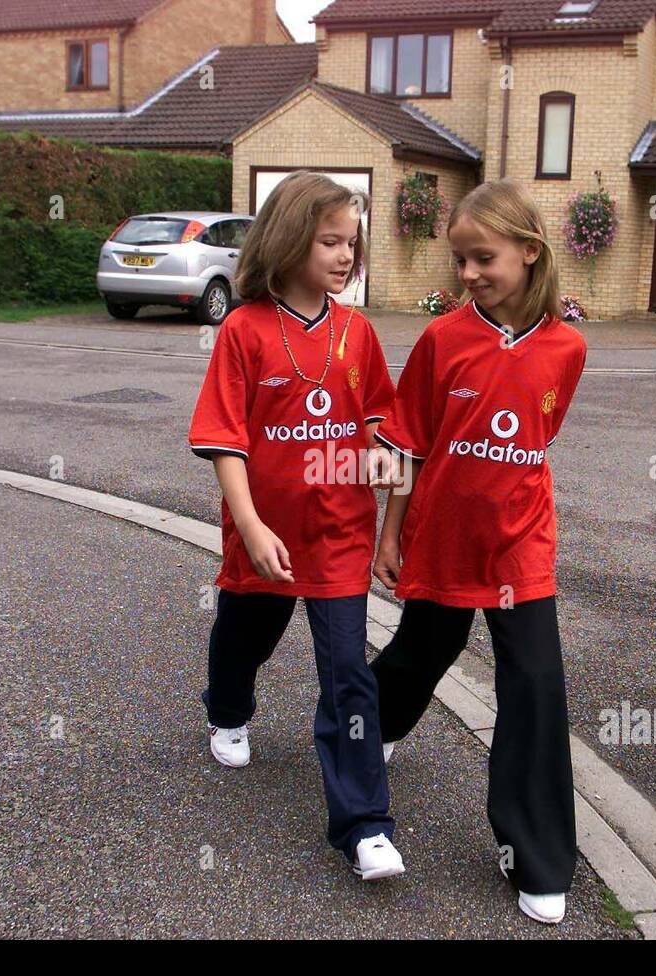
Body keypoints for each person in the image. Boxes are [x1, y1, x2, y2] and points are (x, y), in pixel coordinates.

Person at [368, 179, 589, 920]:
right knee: (419, 652)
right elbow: (410, 444)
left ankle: (536, 857)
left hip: (522, 548)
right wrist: (391, 535)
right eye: (460, 260)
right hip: (442, 536)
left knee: (533, 684)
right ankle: (368, 732)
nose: (467, 274)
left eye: (483, 258)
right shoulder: (442, 339)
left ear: (531, 253)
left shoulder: (568, 348)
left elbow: (539, 441)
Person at [187, 172, 404, 879]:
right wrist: (248, 526)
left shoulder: (357, 330)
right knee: (245, 637)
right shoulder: (244, 330)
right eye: (330, 241)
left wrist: (378, 451)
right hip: (265, 537)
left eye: (352, 242)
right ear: (288, 241)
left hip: (340, 534)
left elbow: (378, 414)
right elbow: (223, 438)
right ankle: (227, 708)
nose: (346, 255)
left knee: (348, 674)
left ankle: (365, 824)